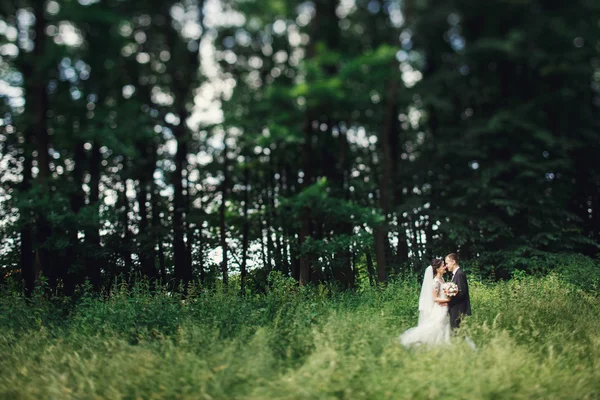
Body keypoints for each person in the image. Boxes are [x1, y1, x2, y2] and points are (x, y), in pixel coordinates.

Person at [399, 258, 451, 347]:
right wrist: (449, 300)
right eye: (443, 266)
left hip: (444, 307)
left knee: (445, 326)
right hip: (440, 308)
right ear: (437, 269)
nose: (445, 267)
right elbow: (435, 298)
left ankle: (444, 344)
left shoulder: (442, 279)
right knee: (437, 326)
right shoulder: (435, 282)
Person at [445, 253, 471, 329]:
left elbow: (461, 292)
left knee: (456, 332)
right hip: (455, 309)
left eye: (447, 263)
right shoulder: (456, 274)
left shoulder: (459, 274)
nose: (446, 266)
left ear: (453, 262)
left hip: (458, 309)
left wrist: (449, 298)